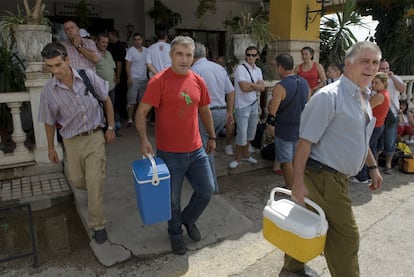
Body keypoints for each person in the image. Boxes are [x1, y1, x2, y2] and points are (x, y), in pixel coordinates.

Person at [288, 41, 383, 277]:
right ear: (348, 64)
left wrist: (372, 166)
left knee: (306, 221)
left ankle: (291, 269)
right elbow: (304, 142)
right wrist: (297, 182)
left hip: (337, 179)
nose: (371, 67)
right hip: (323, 176)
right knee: (346, 238)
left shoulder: (362, 97)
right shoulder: (329, 96)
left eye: (375, 62)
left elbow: (359, 138)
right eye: (365, 61)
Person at [135, 36, 215, 255]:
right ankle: (175, 234)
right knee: (172, 202)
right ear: (170, 55)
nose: (184, 59)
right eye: (179, 54)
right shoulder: (159, 81)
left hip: (197, 150)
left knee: (207, 191)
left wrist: (212, 137)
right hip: (170, 154)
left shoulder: (198, 80)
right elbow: (141, 113)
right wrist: (144, 140)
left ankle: (188, 220)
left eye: (188, 54)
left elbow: (205, 110)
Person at [38, 42, 116, 244]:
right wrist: (50, 147)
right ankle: (92, 186)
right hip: (71, 141)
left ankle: (98, 224)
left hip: (94, 137)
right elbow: (48, 122)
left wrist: (111, 127)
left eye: (57, 65)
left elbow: (106, 99)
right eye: (50, 67)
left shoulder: (88, 76)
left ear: (67, 60)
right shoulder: (48, 91)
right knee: (78, 180)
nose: (55, 71)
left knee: (94, 180)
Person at [192, 42, 235, 192]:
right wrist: (229, 112)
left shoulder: (194, 70)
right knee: (208, 146)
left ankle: (211, 187)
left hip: (207, 114)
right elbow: (231, 91)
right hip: (221, 112)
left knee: (206, 151)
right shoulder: (219, 68)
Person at [267, 53, 310, 189]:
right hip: (301, 127)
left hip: (285, 128)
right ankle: (299, 184)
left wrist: (270, 124)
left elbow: (273, 110)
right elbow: (308, 103)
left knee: (286, 160)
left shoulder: (280, 87)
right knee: (297, 159)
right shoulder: (304, 82)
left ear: (280, 67)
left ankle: (290, 187)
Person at [229, 46, 265, 169]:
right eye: (248, 55)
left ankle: (246, 155)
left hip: (254, 104)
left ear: (257, 56)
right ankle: (238, 158)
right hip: (242, 105)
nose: (250, 57)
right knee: (242, 133)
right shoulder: (240, 69)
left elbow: (262, 87)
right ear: (245, 56)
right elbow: (243, 88)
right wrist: (256, 86)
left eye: (253, 55)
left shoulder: (258, 70)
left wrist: (250, 84)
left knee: (251, 132)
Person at [350, 72, 390, 183]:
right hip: (378, 125)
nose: (373, 85)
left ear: (384, 83)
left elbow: (365, 108)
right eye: (373, 82)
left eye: (376, 83)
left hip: (374, 126)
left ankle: (362, 176)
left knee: (365, 150)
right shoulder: (384, 93)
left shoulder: (380, 95)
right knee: (371, 149)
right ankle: (368, 175)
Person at [378, 59, 407, 174]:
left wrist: (393, 77)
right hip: (379, 114)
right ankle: (374, 164)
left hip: (392, 114)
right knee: (377, 140)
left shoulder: (394, 78)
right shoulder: (374, 79)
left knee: (390, 139)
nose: (385, 71)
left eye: (387, 68)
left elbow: (403, 89)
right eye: (382, 68)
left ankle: (388, 165)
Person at [95, 33, 121, 137]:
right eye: (102, 42)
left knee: (111, 108)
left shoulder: (109, 53)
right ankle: (104, 131)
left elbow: (112, 67)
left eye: (106, 42)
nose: (105, 44)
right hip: (100, 88)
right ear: (97, 42)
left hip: (111, 86)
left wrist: (115, 76)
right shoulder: (94, 54)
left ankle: (112, 130)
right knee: (101, 110)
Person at [125, 33, 148, 127]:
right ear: (133, 41)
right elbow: (127, 65)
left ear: (141, 40)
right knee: (132, 100)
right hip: (134, 78)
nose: (137, 41)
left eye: (139, 39)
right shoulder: (131, 51)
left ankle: (140, 117)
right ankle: (130, 119)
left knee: (142, 100)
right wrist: (129, 77)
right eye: (135, 39)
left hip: (144, 78)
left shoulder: (146, 50)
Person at [108, 29, 128, 122]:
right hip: (115, 74)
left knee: (119, 96)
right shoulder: (112, 46)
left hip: (119, 75)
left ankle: (120, 115)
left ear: (113, 35)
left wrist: (118, 76)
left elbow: (119, 62)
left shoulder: (119, 46)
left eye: (109, 35)